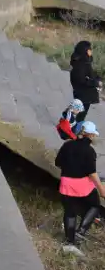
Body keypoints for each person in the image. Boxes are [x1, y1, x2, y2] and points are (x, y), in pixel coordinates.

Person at [55, 121, 105, 257]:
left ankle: (69, 243)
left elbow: (58, 163)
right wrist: (101, 189)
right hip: (82, 185)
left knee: (69, 212)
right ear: (91, 135)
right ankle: (81, 231)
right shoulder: (89, 151)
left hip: (66, 184)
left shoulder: (67, 145)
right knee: (94, 205)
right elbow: (92, 173)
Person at [70, 40, 102, 122]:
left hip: (85, 94)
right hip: (83, 94)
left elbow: (91, 75)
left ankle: (72, 125)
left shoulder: (85, 62)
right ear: (85, 51)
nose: (91, 51)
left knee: (80, 112)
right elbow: (82, 80)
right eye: (89, 49)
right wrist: (95, 82)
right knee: (80, 114)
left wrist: (97, 79)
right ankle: (73, 126)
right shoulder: (81, 64)